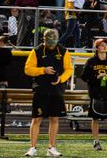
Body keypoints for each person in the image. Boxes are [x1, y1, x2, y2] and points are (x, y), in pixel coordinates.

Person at [24, 28, 72, 158]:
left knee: (54, 118)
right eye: (49, 40)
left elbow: (69, 69)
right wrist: (42, 70)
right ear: (44, 39)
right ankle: (32, 148)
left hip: (57, 90)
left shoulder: (63, 50)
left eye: (54, 40)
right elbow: (28, 69)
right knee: (37, 118)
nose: (51, 43)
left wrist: (61, 79)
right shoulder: (37, 51)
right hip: (40, 89)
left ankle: (52, 148)